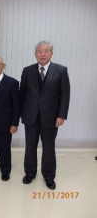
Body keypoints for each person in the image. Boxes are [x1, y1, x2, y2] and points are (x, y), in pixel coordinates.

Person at [20, 41, 70, 190]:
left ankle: (49, 176)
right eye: (39, 51)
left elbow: (65, 95)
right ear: (35, 54)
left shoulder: (61, 70)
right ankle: (30, 173)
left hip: (51, 117)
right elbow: (22, 94)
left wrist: (61, 115)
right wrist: (22, 113)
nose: (42, 54)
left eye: (46, 51)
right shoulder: (27, 71)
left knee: (49, 147)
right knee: (30, 147)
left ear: (51, 53)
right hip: (31, 117)